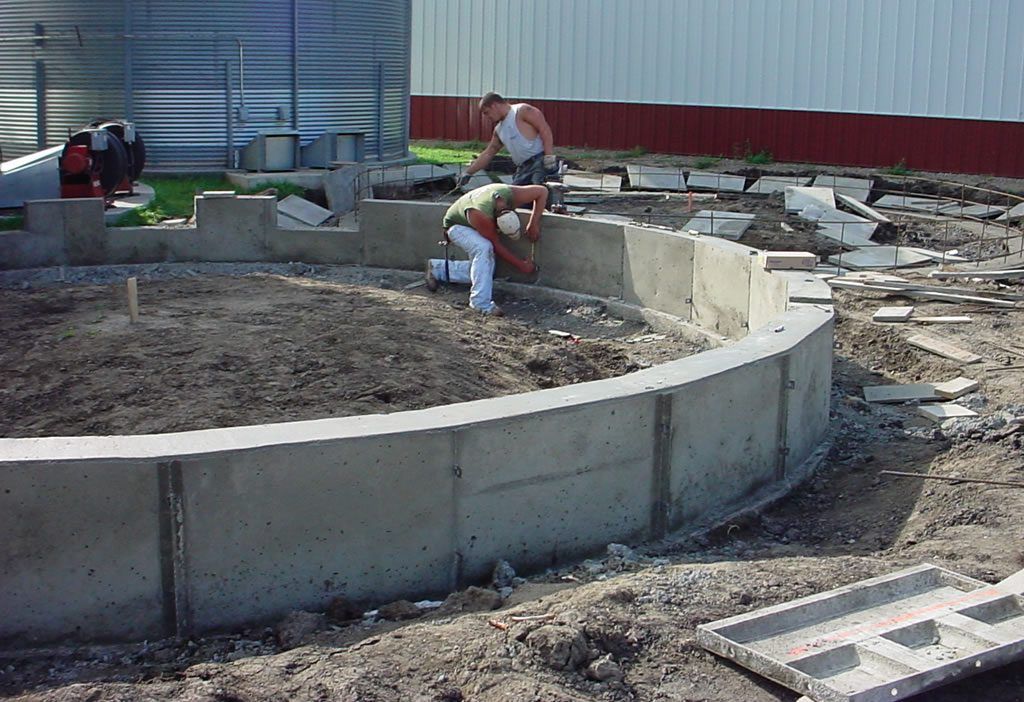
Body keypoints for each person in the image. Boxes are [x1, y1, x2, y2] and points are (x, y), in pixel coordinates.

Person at [425, 182, 547, 316]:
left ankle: (438, 269)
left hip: (473, 220)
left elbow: (542, 191)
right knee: (484, 248)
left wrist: (533, 223)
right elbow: (495, 246)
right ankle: (480, 303)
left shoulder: (512, 194)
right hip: (456, 227)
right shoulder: (481, 215)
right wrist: (521, 266)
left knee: (485, 269)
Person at [459, 92, 558, 188]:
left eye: (487, 112)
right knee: (514, 198)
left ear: (494, 105)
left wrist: (549, 157)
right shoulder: (499, 130)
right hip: (523, 168)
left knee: (538, 193)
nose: (487, 117)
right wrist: (468, 172)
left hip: (539, 162)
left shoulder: (522, 110)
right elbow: (488, 153)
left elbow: (544, 130)